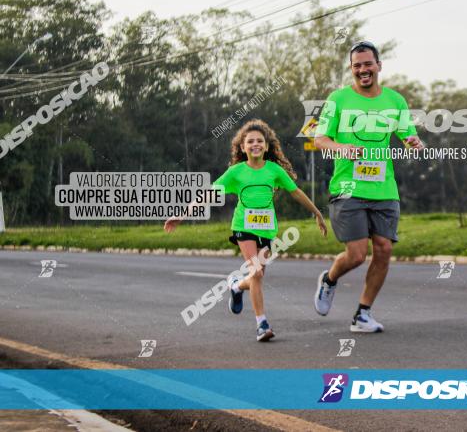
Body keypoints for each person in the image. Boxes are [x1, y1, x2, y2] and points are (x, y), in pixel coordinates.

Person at [165, 119, 327, 341]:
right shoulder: (236, 172)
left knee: (255, 277)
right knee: (257, 272)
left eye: (259, 141)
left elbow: (296, 192)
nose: (255, 144)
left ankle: (236, 286)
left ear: (267, 146)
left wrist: (317, 213)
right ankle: (262, 324)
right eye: (250, 141)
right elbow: (209, 194)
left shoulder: (274, 170)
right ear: (243, 147)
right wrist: (182, 214)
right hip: (243, 226)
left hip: (266, 229)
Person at [313, 40, 424, 333]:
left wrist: (414, 143)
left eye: (367, 64)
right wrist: (342, 148)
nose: (363, 70)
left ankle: (363, 313)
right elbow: (319, 140)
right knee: (357, 255)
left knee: (384, 249)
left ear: (378, 66)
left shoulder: (395, 101)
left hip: (383, 188)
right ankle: (329, 279)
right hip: (348, 186)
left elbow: (407, 136)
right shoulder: (337, 99)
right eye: (357, 65)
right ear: (352, 69)